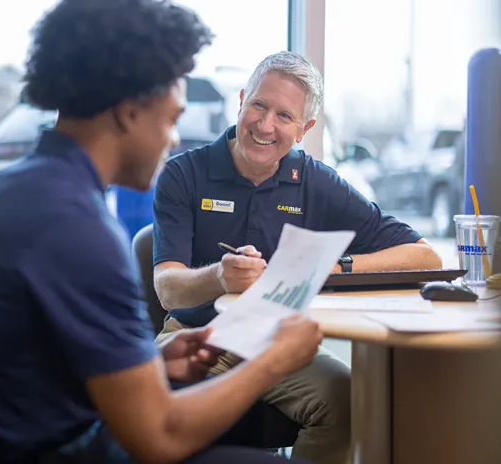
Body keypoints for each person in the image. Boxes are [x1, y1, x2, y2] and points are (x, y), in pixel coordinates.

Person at [0, 0, 322, 464]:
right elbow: (161, 435)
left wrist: (152, 362)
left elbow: (34, 365)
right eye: (171, 119)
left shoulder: (14, 192)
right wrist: (273, 361)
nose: (173, 138)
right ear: (128, 113)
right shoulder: (76, 230)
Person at [152, 51, 444, 464]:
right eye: (259, 105)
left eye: (285, 116)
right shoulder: (183, 173)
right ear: (241, 100)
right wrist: (219, 277)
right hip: (196, 336)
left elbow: (424, 256)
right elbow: (167, 288)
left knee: (348, 402)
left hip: (278, 339)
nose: (265, 125)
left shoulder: (316, 182)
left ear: (305, 129)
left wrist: (337, 266)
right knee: (156, 406)